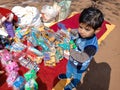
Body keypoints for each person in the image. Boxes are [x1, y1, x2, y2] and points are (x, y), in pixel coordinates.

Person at [58, 6, 104, 90]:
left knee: (76, 75)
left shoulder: (91, 46)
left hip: (80, 65)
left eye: (87, 29)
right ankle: (67, 75)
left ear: (97, 30)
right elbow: (74, 32)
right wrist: (69, 33)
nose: (82, 31)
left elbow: (82, 58)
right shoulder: (80, 33)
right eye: (80, 27)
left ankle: (74, 83)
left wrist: (70, 50)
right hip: (71, 59)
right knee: (68, 68)